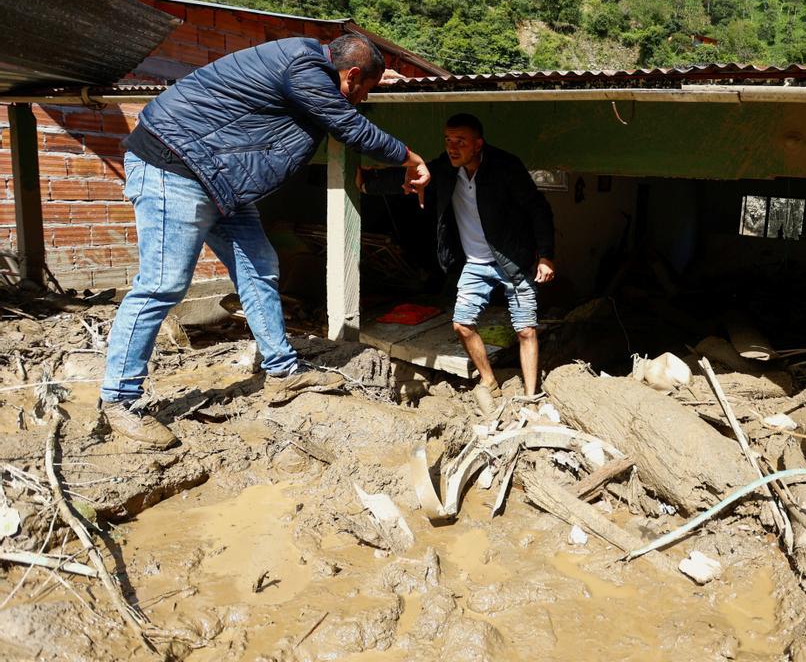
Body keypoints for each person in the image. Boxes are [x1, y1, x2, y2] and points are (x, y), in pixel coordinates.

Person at [101, 34, 429, 448]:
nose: (363, 99)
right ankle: (119, 400)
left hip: (219, 181)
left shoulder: (309, 66)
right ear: (351, 75)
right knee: (162, 285)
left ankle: (282, 372)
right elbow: (348, 126)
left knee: (260, 267)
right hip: (176, 168)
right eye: (366, 89)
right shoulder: (303, 65)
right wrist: (409, 156)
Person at [360, 112, 554, 408]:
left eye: (460, 141)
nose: (452, 147)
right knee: (462, 325)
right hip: (476, 262)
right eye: (448, 140)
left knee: (525, 329)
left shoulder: (505, 167)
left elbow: (538, 209)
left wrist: (546, 255)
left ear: (478, 144)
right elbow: (413, 176)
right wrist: (365, 181)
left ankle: (530, 397)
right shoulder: (446, 170)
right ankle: (489, 380)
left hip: (513, 260)